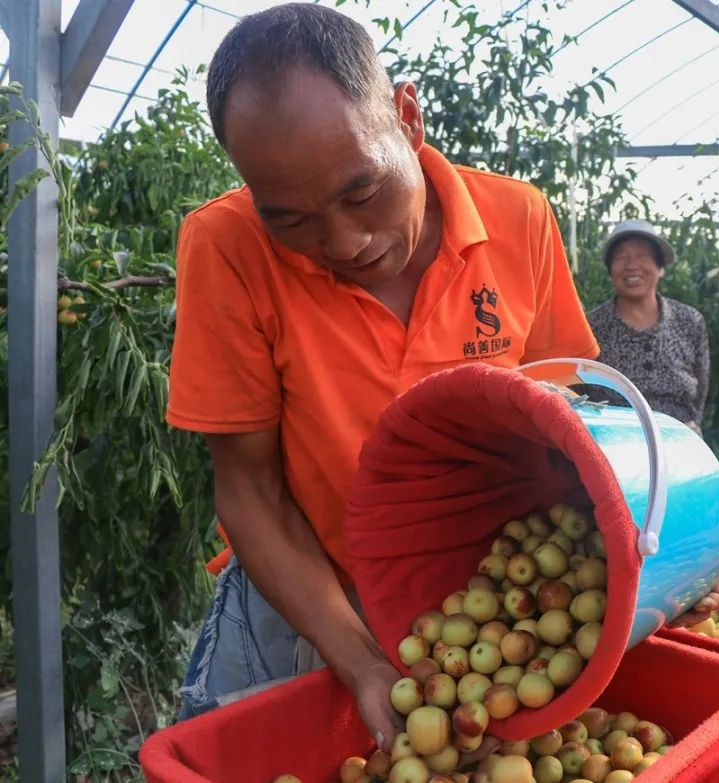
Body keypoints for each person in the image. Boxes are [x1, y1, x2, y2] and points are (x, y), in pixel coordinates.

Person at [165, 4, 601, 750]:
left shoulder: (518, 219)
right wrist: (363, 661)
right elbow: (251, 490)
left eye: (361, 191)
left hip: (492, 603)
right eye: (291, 220)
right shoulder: (228, 245)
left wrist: (666, 538)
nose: (344, 242)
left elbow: (579, 417)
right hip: (311, 595)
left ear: (408, 117)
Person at [587, 220, 710, 433]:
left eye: (642, 255)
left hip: (681, 440)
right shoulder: (592, 327)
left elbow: (701, 391)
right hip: (614, 443)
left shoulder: (689, 321)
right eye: (621, 257)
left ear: (660, 267)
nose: (632, 265)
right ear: (610, 271)